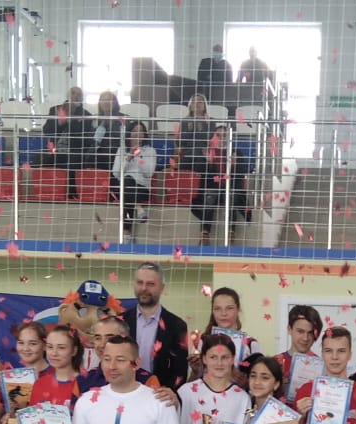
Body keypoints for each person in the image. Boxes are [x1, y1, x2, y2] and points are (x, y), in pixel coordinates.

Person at [122, 261, 189, 391]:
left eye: (150, 284)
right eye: (140, 282)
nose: (143, 288)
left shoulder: (177, 325)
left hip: (158, 396)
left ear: (162, 288)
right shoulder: (121, 320)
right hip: (124, 392)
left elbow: (180, 371)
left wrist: (167, 393)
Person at [192, 123, 250, 243]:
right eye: (218, 135)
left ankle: (231, 232)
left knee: (231, 197)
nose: (221, 138)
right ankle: (205, 233)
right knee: (209, 198)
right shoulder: (207, 151)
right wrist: (208, 162)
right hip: (212, 186)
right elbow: (198, 169)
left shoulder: (235, 151)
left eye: (224, 135)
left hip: (230, 186)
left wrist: (234, 165)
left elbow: (243, 171)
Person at [189, 286, 260, 383]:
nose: (223, 313)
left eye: (229, 308)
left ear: (238, 309)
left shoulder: (251, 344)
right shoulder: (202, 341)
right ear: (212, 311)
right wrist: (196, 370)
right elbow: (194, 382)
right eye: (217, 309)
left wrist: (244, 382)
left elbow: (258, 382)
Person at [111, 119, 157, 234]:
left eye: (141, 131)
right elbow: (116, 173)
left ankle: (126, 233)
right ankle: (139, 208)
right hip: (122, 187)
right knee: (127, 181)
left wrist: (139, 157)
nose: (138, 134)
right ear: (129, 133)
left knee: (127, 191)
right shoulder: (121, 150)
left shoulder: (150, 151)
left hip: (141, 188)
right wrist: (129, 157)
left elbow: (149, 173)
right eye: (135, 131)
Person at [276, 304, 320, 400]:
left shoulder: (323, 367)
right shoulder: (274, 363)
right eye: (300, 331)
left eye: (310, 333)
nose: (305, 338)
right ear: (289, 329)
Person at [40, 86, 89, 169]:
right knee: (42, 161)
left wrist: (70, 119)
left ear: (82, 98)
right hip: (54, 150)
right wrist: (60, 122)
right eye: (73, 93)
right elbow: (47, 131)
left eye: (79, 94)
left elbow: (83, 138)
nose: (76, 96)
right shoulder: (55, 110)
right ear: (68, 95)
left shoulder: (86, 115)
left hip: (74, 153)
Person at [88, 91, 124, 170]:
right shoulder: (95, 119)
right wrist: (102, 125)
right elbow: (91, 140)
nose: (106, 103)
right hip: (97, 154)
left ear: (115, 103)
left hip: (117, 154)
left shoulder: (123, 118)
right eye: (103, 100)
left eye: (109, 100)